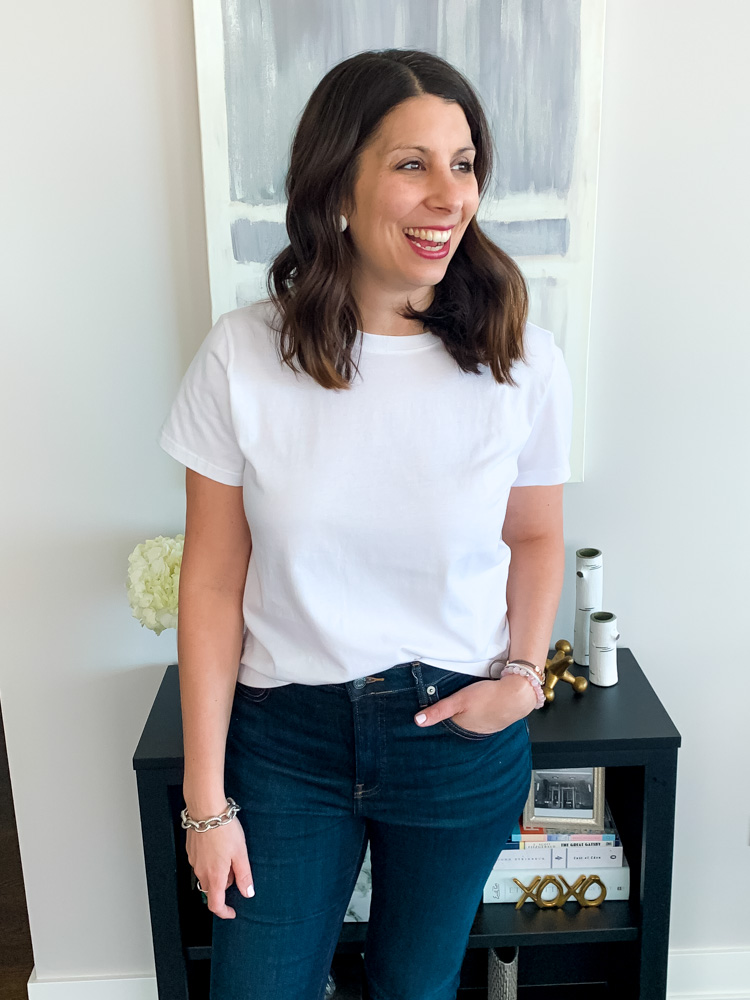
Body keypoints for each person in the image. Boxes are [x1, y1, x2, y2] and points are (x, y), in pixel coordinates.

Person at [158, 48, 573, 1000]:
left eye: (463, 164)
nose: (448, 197)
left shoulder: (523, 359)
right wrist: (205, 802)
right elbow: (214, 580)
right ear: (338, 179)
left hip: (456, 734)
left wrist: (522, 677)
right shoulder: (243, 356)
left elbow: (538, 537)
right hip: (286, 741)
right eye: (411, 164)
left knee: (415, 991)